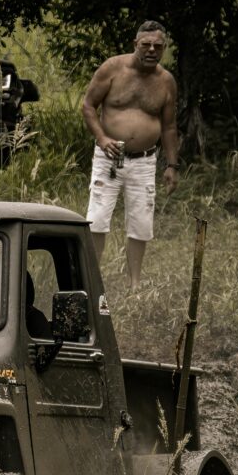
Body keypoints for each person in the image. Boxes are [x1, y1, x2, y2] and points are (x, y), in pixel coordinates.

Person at [81, 20, 179, 290]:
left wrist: (171, 165)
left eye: (157, 46)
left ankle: (134, 283)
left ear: (164, 48)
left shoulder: (166, 81)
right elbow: (88, 105)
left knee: (141, 223)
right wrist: (102, 138)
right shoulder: (113, 68)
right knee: (97, 220)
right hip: (109, 157)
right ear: (135, 44)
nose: (151, 50)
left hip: (145, 160)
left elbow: (169, 126)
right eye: (145, 45)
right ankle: (92, 280)